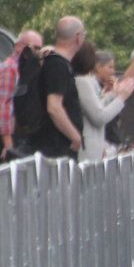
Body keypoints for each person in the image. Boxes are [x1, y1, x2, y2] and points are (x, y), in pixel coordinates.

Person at [34, 17, 87, 160]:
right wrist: (75, 136)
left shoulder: (59, 64)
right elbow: (54, 107)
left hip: (58, 145)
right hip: (56, 147)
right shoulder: (57, 65)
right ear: (77, 37)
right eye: (84, 35)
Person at [0, 29, 44, 164]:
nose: (36, 52)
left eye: (39, 48)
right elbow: (3, 106)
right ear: (19, 46)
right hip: (7, 137)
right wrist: (8, 145)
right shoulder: (10, 68)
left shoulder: (25, 69)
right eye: (33, 47)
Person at [74, 43, 134, 162]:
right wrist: (121, 97)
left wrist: (113, 94)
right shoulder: (82, 82)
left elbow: (98, 105)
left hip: (96, 147)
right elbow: (99, 116)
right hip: (88, 149)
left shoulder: (87, 81)